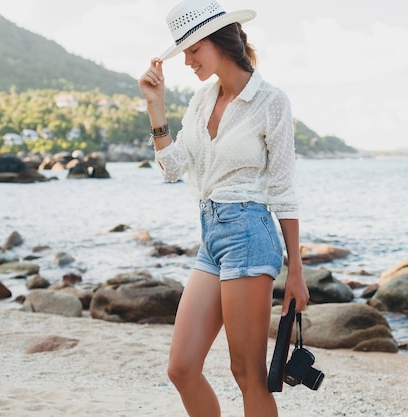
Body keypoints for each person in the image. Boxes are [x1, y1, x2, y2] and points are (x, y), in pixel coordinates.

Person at [137, 0, 310, 416]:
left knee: (247, 373)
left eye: (193, 50)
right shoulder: (201, 99)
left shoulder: (271, 101)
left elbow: (284, 190)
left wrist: (296, 271)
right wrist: (154, 106)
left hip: (251, 233)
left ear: (217, 41)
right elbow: (173, 168)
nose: (188, 61)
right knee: (181, 368)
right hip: (210, 235)